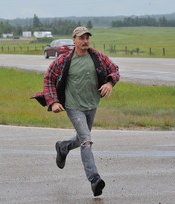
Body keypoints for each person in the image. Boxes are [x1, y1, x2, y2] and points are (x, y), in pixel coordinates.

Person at [43, 27, 120, 196]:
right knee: (86, 140)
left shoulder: (97, 57)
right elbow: (49, 78)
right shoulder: (64, 60)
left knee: (81, 138)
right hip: (73, 106)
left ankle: (63, 147)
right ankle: (94, 180)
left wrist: (109, 83)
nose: (85, 41)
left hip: (92, 104)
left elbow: (114, 70)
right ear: (74, 40)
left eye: (87, 38)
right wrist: (54, 102)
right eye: (81, 38)